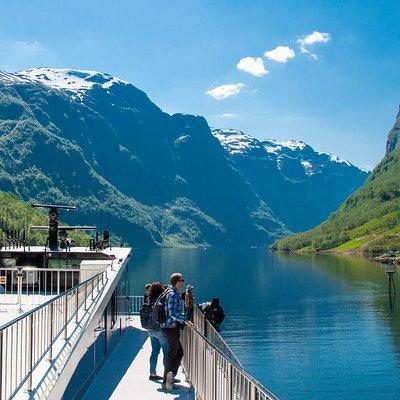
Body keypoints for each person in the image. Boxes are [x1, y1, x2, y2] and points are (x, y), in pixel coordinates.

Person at [162, 273, 195, 391]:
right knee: (172, 354)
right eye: (182, 280)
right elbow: (172, 313)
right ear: (177, 281)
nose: (183, 282)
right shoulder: (172, 294)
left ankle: (170, 376)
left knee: (179, 352)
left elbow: (175, 312)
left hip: (171, 327)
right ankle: (167, 381)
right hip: (170, 327)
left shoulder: (173, 292)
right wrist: (186, 321)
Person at [147, 282, 169, 381]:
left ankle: (152, 374)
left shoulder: (149, 300)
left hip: (150, 330)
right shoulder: (160, 301)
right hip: (160, 330)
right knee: (166, 352)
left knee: (154, 352)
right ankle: (167, 376)